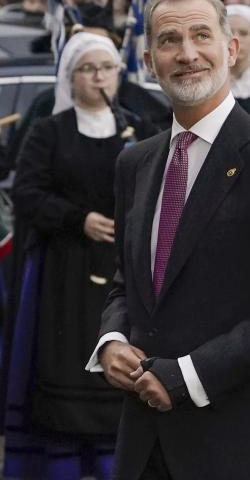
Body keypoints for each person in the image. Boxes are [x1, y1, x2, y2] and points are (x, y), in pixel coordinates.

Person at [86, 0, 250, 480]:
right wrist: (112, 339)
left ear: (232, 49)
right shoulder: (135, 163)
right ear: (148, 59)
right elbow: (131, 282)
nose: (187, 54)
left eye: (202, 35)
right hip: (144, 443)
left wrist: (188, 376)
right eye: (169, 40)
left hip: (238, 444)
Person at [4, 31, 157, 480]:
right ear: (70, 79)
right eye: (87, 70)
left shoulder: (137, 130)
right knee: (67, 365)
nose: (98, 78)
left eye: (106, 68)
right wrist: (78, 220)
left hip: (122, 272)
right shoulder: (49, 131)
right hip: (65, 274)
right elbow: (28, 193)